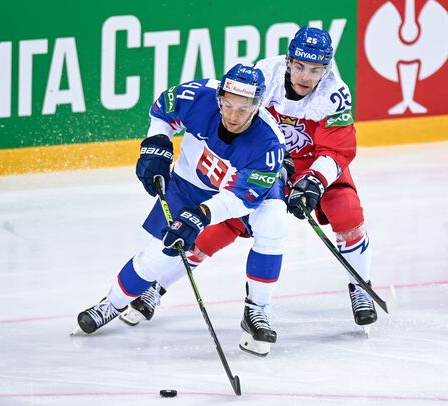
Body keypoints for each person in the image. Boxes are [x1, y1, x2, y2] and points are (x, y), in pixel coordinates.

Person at [121, 26, 377, 333]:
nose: (305, 77)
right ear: (288, 60)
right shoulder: (263, 76)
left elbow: (337, 149)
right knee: (220, 225)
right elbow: (234, 117)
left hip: (312, 163)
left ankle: (360, 285)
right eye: (298, 67)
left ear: (327, 68)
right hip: (262, 163)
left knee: (347, 211)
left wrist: (313, 181)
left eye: (315, 70)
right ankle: (157, 286)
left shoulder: (334, 94)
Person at [75, 64, 289, 357]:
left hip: (236, 194)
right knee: (157, 258)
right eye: (227, 105)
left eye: (243, 108)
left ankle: (258, 310)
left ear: (257, 106)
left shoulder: (268, 143)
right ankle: (111, 303)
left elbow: (241, 198)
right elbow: (162, 108)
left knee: (274, 221)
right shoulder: (198, 96)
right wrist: (158, 141)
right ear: (218, 97)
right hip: (190, 185)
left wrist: (201, 214)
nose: (233, 115)